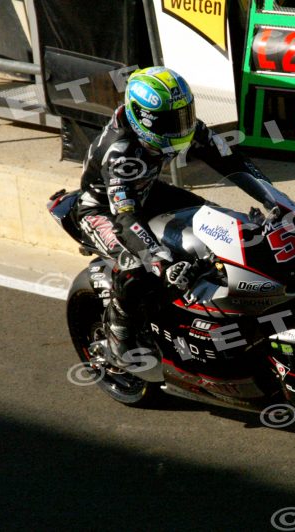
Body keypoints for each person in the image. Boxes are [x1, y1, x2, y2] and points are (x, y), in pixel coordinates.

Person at [76, 66, 266, 363]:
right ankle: (119, 331)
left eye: (184, 115)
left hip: (148, 191)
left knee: (218, 219)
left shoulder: (181, 129)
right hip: (103, 209)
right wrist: (159, 259)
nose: (181, 127)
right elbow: (125, 218)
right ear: (143, 118)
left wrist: (274, 199)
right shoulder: (121, 152)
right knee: (137, 264)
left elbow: (230, 160)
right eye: (170, 120)